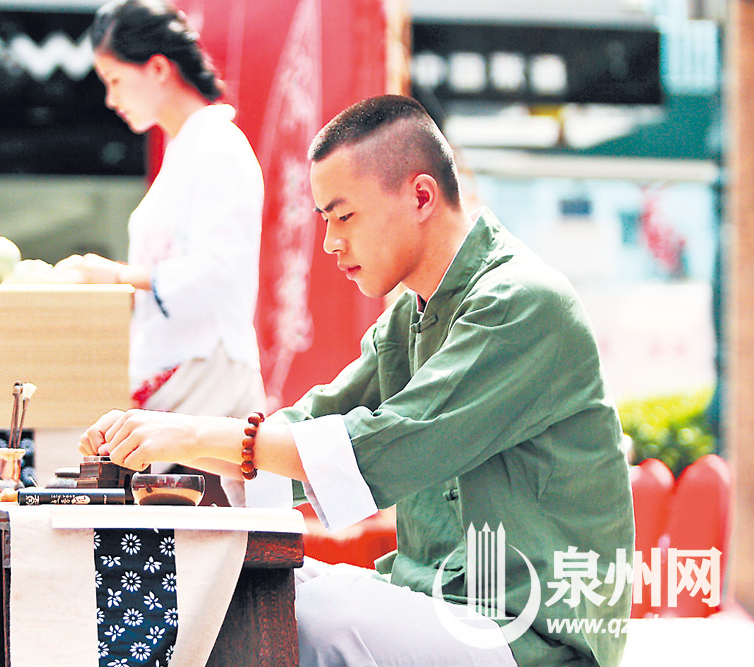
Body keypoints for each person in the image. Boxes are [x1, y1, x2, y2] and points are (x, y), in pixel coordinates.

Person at [79, 94, 634, 667]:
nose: (330, 243)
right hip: (435, 603)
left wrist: (192, 436)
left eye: (343, 216)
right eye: (324, 219)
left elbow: (389, 445)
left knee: (309, 614)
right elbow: (314, 421)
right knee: (232, 584)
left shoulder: (521, 302)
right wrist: (157, 443)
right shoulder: (410, 316)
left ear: (421, 196)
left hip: (531, 635)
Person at [55, 0, 273, 505]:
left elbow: (216, 271)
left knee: (201, 525)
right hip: (185, 367)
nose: (111, 99)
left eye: (114, 80)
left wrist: (117, 276)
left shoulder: (217, 144)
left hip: (209, 370)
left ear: (157, 68)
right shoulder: (190, 146)